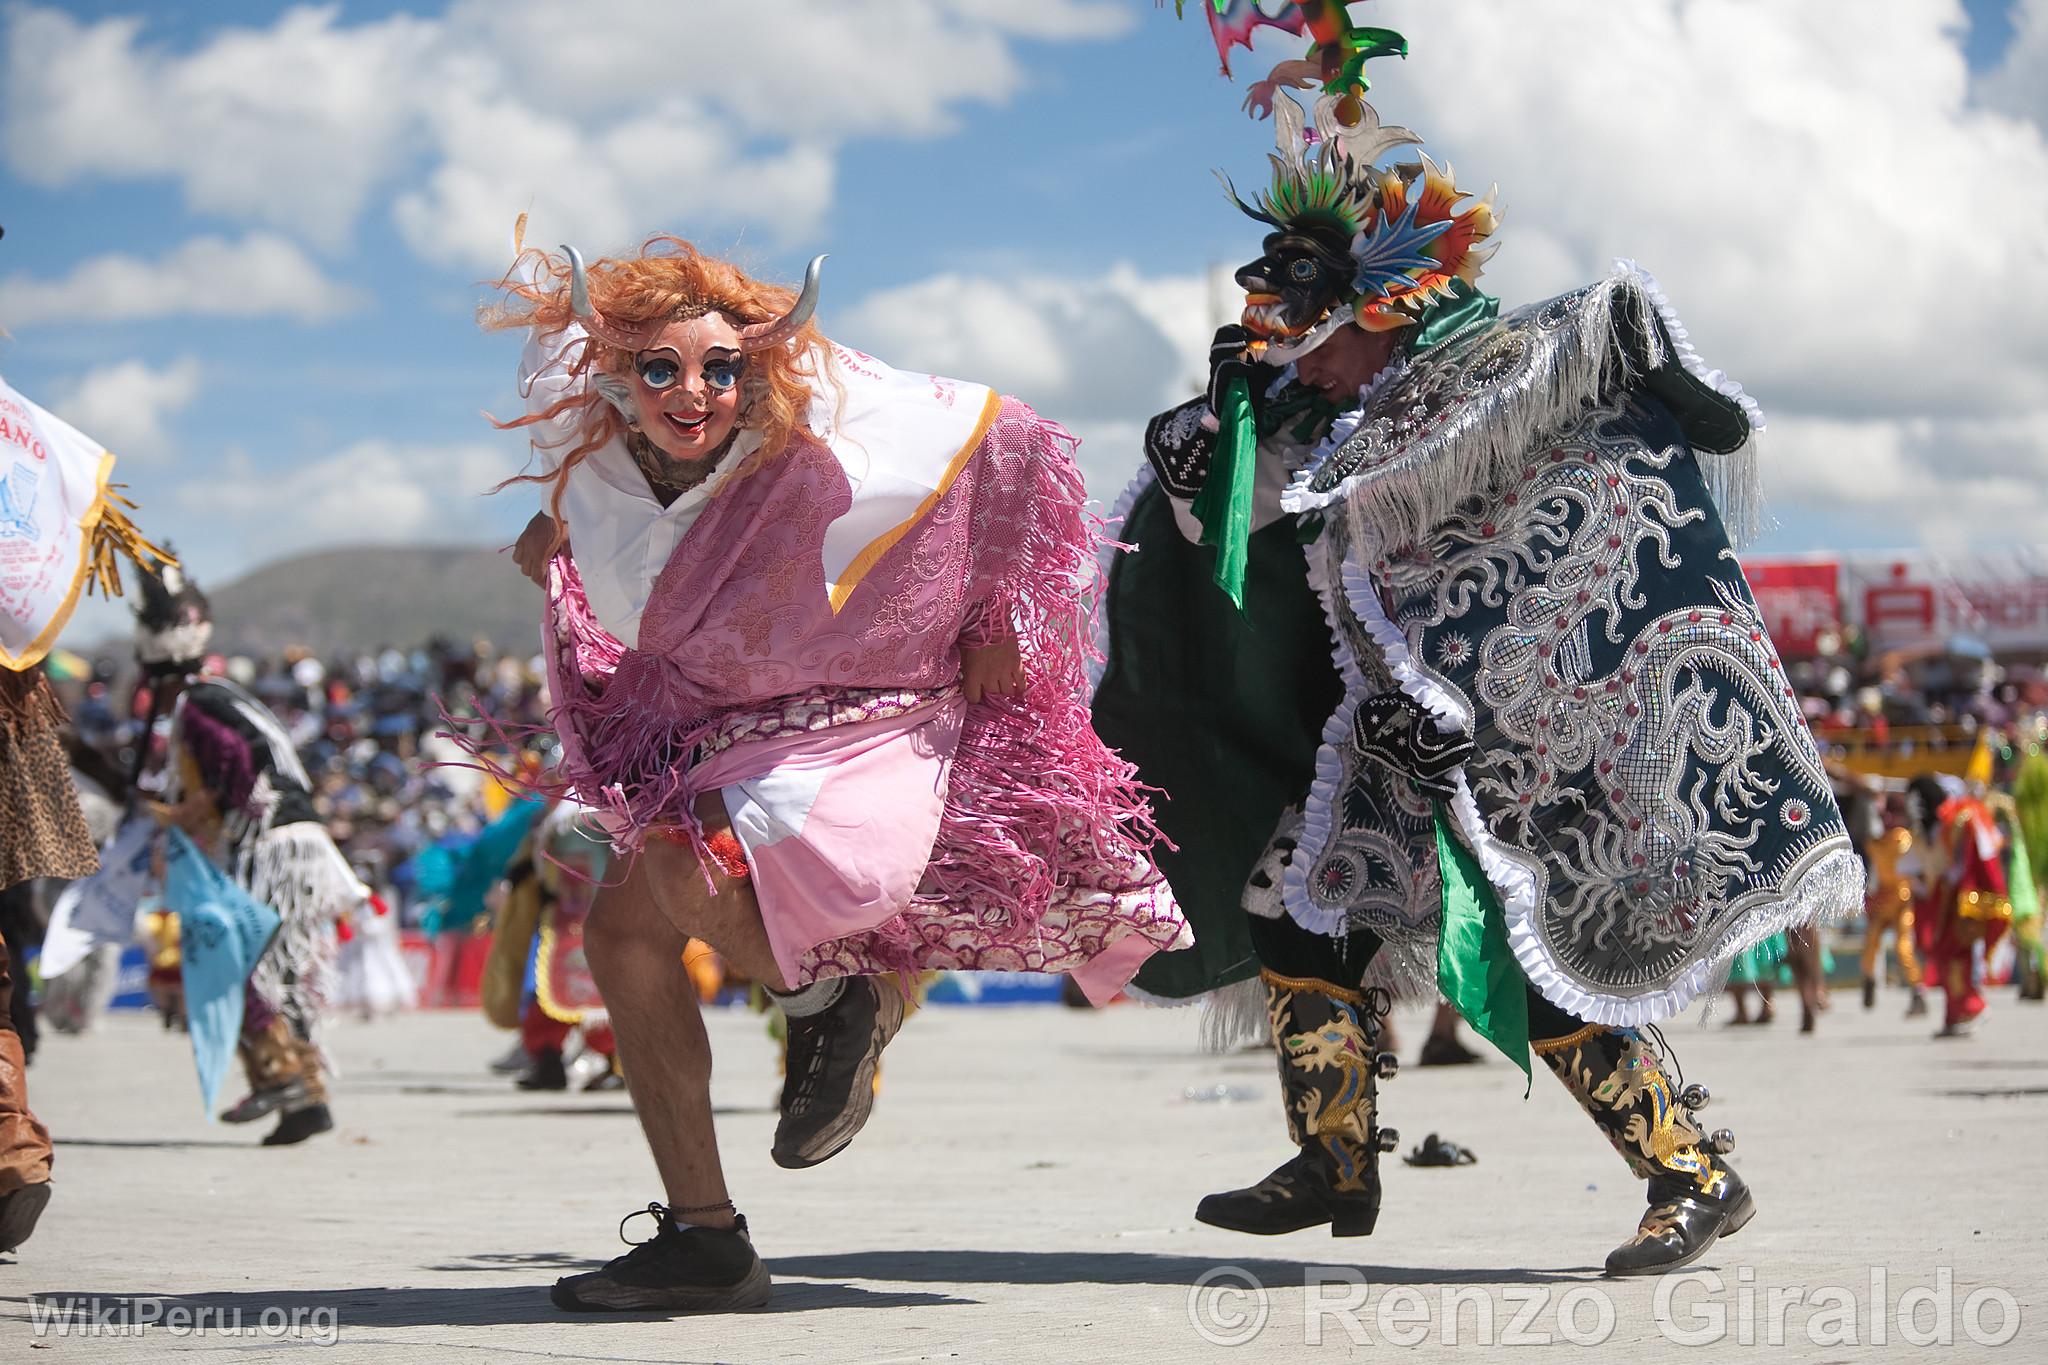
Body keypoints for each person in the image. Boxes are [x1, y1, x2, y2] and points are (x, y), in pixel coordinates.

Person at [1094, 39, 1861, 1275]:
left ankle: (1691, 1170)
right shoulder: (1317, 421)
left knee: (1541, 951)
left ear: (1385, 307)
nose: (1298, 354)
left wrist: (1494, 699)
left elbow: (1581, 558)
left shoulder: (1511, 383)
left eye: (1318, 330)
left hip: (1513, 741)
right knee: (1294, 914)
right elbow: (1237, 530)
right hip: (1383, 745)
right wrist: (1218, 438)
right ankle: (1333, 1157)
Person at [479, 230, 1189, 1312]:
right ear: (619, 378)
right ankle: (705, 1239)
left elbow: (1000, 438)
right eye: (660, 368)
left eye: (720, 367)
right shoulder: (599, 479)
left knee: (676, 869)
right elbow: (619, 561)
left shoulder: (834, 436)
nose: (693, 390)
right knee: (619, 936)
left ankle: (831, 998)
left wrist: (998, 610)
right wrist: (558, 541)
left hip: (862, 735)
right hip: (721, 738)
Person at [137, 559, 367, 1145]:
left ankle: (284, 1078)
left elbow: (238, 774)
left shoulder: (198, 705)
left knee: (238, 964)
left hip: (274, 849)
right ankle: (305, 1102)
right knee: (279, 972)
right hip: (301, 843)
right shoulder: (225, 696)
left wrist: (190, 816)